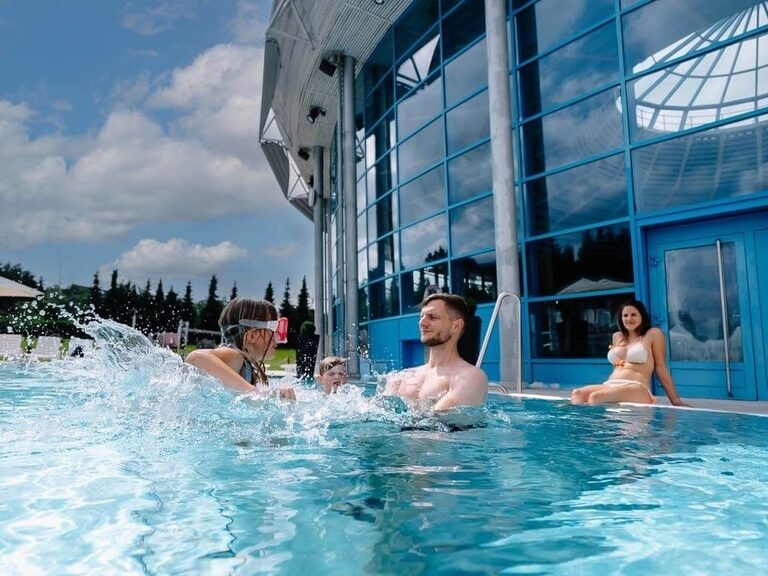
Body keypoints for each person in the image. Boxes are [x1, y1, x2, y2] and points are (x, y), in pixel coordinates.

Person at [571, 299, 688, 407]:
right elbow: (618, 367)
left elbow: (661, 367)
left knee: (596, 397)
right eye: (625, 315)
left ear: (642, 316)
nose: (628, 318)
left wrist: (675, 400)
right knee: (578, 394)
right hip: (611, 384)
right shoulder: (617, 336)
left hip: (637, 387)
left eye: (633, 314)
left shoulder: (653, 334)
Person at [383, 293, 488, 410]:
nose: (422, 323)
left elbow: (437, 421)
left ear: (456, 326)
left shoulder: (470, 377)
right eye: (421, 317)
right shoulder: (402, 377)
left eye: (432, 317)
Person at [186, 297, 296, 400]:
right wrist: (255, 394)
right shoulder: (235, 355)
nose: (277, 337)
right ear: (252, 335)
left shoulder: (246, 368)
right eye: (275, 328)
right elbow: (196, 358)